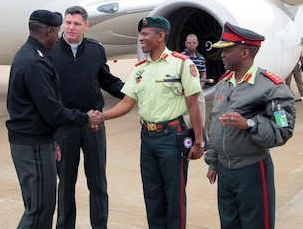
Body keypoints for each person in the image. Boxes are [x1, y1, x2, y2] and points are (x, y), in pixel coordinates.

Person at [102, 16, 204, 228]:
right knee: (153, 194)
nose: (141, 38)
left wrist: (198, 141)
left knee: (174, 196)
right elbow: (127, 103)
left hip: (172, 138)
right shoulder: (140, 68)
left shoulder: (181, 64)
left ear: (161, 36)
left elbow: (194, 104)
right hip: (148, 139)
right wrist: (100, 116)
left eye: (145, 34)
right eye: (140, 34)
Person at [6, 9, 103, 229]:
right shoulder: (35, 62)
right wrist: (85, 118)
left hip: (37, 139)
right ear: (49, 31)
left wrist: (52, 139)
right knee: (39, 210)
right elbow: (53, 111)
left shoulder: (28, 53)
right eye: (59, 29)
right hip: (33, 145)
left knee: (41, 206)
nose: (60, 34)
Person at [204, 22, 295, 229]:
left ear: (245, 52)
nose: (222, 55)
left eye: (227, 49)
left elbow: (283, 129)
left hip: (251, 170)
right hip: (225, 172)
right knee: (229, 223)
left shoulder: (271, 87)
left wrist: (250, 123)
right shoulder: (225, 82)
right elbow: (215, 125)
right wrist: (213, 162)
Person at [51, 6, 124, 229]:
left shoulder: (95, 50)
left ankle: (100, 226)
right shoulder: (51, 50)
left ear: (86, 25)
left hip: (93, 125)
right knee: (65, 184)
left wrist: (133, 91)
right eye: (68, 23)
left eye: (77, 23)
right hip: (64, 127)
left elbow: (106, 79)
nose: (71, 27)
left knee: (98, 183)